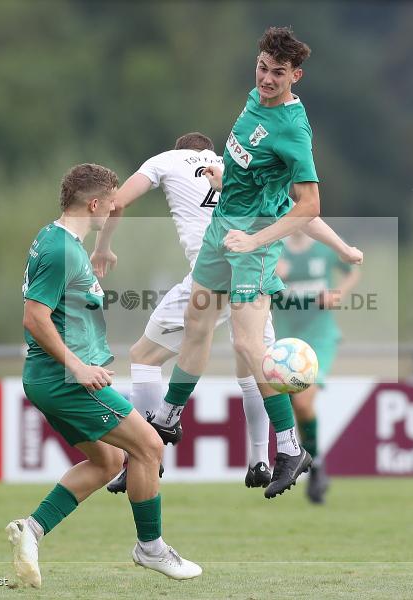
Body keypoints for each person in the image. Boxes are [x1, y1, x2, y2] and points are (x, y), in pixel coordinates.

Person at [148, 27, 363, 500]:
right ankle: (167, 418)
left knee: (248, 345)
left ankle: (288, 449)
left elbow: (307, 206)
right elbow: (251, 169)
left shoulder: (293, 130)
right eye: (263, 68)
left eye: (278, 73)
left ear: (296, 77)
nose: (266, 79)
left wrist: (256, 240)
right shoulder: (253, 101)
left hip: (255, 245)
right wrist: (229, 176)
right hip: (222, 231)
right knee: (197, 322)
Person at [91, 132, 365, 491]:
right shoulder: (236, 167)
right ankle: (261, 460)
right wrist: (343, 248)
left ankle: (144, 455)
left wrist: (102, 247)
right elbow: (298, 213)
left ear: (180, 151)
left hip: (210, 274)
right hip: (253, 269)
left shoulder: (164, 161)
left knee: (144, 356)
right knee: (254, 362)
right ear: (209, 151)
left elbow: (118, 202)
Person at [6, 163, 201, 588]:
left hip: (50, 378)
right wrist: (77, 365)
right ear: (93, 203)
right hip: (65, 379)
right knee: (150, 446)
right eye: (110, 203)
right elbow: (34, 318)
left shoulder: (57, 237)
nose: (116, 209)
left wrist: (105, 243)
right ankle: (151, 548)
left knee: (109, 460)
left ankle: (31, 531)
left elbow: (108, 215)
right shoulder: (62, 251)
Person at [273, 229, 361, 503]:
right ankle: (316, 464)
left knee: (303, 402)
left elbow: (353, 271)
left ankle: (315, 465)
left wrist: (338, 293)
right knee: (295, 404)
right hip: (284, 339)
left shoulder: (324, 248)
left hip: (318, 337)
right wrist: (271, 275)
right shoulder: (273, 248)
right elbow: (246, 280)